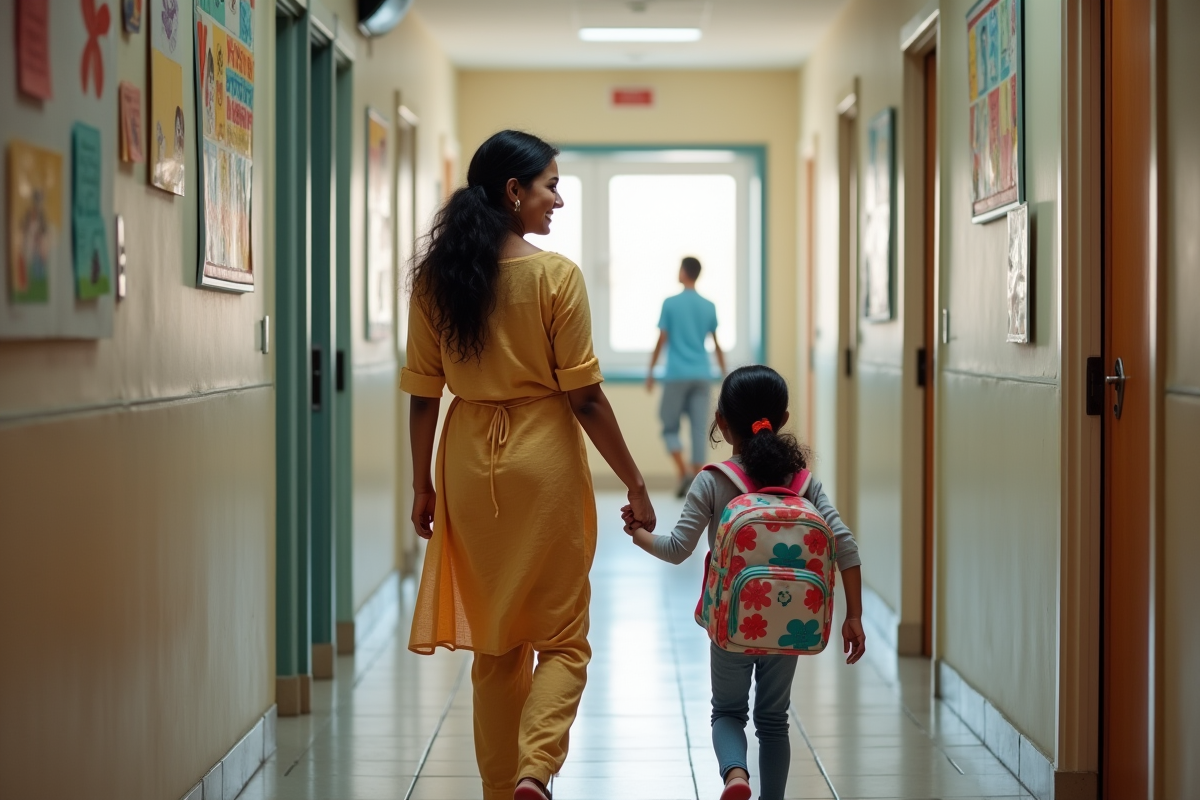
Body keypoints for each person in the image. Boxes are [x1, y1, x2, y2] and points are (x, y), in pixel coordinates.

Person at [401, 129, 656, 800]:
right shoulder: (554, 277)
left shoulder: (435, 281)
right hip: (542, 464)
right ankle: (534, 769)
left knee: (496, 642)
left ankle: (500, 791)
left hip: (466, 465)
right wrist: (635, 481)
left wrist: (422, 484)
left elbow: (423, 395)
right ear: (514, 191)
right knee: (563, 638)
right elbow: (586, 398)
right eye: (551, 186)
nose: (559, 200)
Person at [622, 365, 866, 800]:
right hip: (790, 623)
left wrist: (637, 533)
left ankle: (736, 776)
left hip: (732, 622)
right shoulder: (803, 483)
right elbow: (844, 543)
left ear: (721, 422)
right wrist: (854, 616)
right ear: (782, 419)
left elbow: (677, 549)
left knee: (727, 713)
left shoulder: (713, 481)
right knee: (774, 721)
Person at [647, 256, 726, 497]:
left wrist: (650, 371)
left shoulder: (670, 304)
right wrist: (725, 374)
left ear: (683, 272)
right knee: (699, 429)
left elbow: (662, 340)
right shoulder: (709, 306)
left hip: (676, 374)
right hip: (702, 374)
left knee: (669, 426)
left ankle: (683, 473)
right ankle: (697, 481)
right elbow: (716, 344)